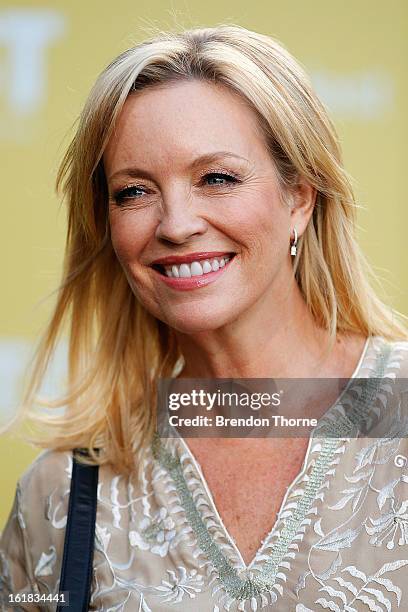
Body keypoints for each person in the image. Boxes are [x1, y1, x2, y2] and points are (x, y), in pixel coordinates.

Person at [1, 23, 408, 611]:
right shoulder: (62, 493)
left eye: (216, 178)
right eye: (134, 192)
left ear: (300, 196)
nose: (175, 224)